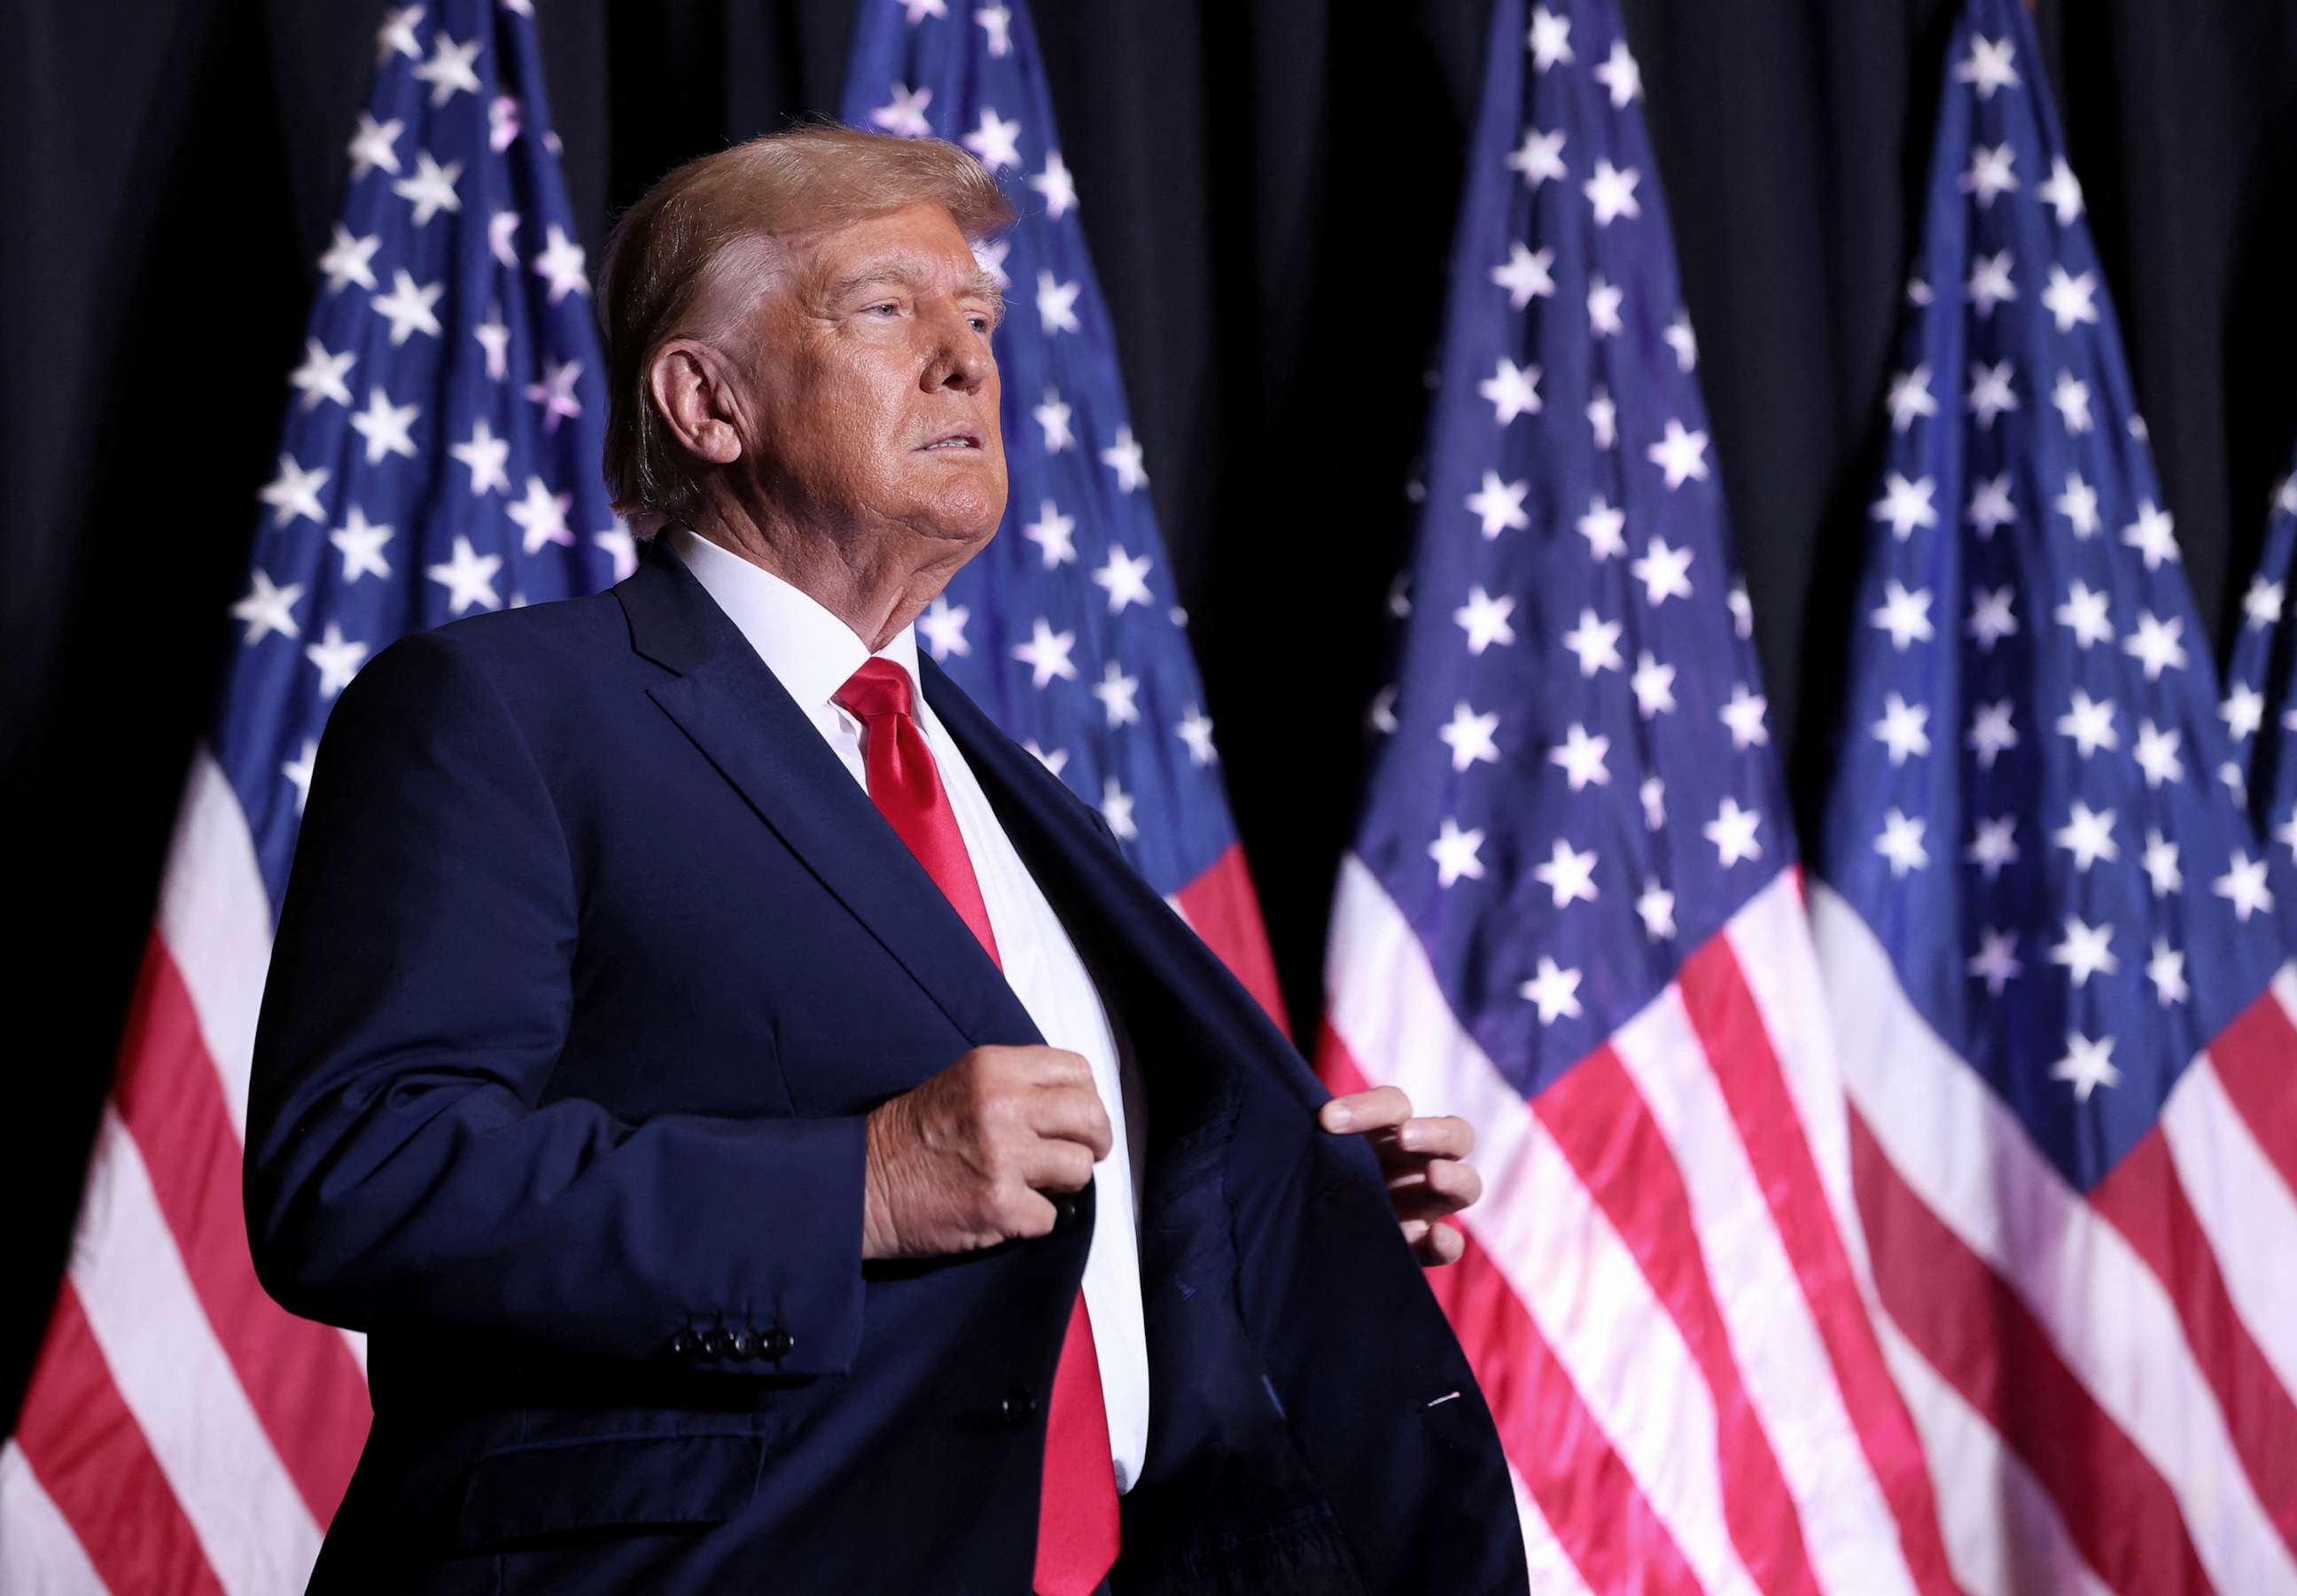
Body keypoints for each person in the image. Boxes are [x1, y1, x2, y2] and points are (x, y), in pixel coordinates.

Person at [246, 123, 1525, 1596]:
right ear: (706, 400)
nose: (967, 360)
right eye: (884, 309)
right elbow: (360, 1175)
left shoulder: (995, 780)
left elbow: (1042, 1220)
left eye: (977, 318)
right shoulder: (507, 711)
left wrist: (1268, 1205)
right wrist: (856, 1184)